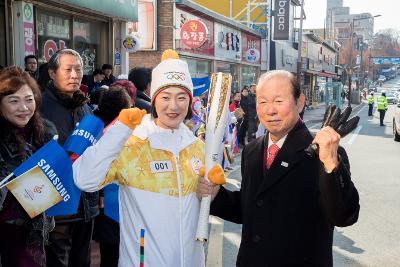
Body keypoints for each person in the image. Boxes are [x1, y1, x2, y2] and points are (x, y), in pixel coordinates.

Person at [198, 70, 360, 267]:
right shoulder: (252, 150)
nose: (270, 110)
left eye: (278, 101)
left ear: (300, 102)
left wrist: (331, 163)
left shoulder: (325, 153)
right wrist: (217, 195)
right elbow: (251, 206)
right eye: (263, 101)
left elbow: (344, 215)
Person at [73, 50, 216, 266]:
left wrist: (207, 192)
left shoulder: (197, 147)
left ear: (189, 101)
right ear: (154, 99)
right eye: (165, 97)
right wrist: (119, 131)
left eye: (181, 97)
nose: (173, 106)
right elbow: (84, 179)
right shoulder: (134, 143)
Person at [41, 48, 99, 267]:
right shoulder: (38, 107)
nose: (75, 75)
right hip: (56, 204)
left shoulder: (84, 106)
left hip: (86, 202)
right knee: (57, 261)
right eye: (68, 69)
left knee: (82, 259)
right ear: (52, 73)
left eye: (79, 69)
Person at [0, 66, 58, 267]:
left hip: (33, 232)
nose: (24, 108)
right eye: (14, 101)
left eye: (29, 99)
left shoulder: (46, 133)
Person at [92, 87, 133, 267]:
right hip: (121, 201)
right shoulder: (127, 131)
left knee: (107, 254)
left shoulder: (92, 127)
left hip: (101, 203)